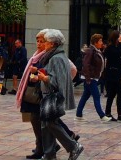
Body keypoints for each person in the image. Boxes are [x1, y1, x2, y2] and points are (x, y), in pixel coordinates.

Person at [34, 28, 84, 160]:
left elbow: (58, 81)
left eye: (46, 41)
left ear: (52, 44)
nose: (43, 44)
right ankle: (49, 154)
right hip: (48, 95)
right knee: (46, 124)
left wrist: (44, 78)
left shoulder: (57, 58)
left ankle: (73, 146)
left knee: (51, 123)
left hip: (53, 95)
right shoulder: (53, 56)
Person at [75, 33, 112, 122]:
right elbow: (86, 64)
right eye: (100, 41)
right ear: (95, 42)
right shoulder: (91, 51)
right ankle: (102, 116)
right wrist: (88, 78)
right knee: (96, 95)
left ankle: (78, 115)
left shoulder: (97, 51)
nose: (102, 43)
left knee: (85, 96)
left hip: (93, 77)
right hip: (91, 78)